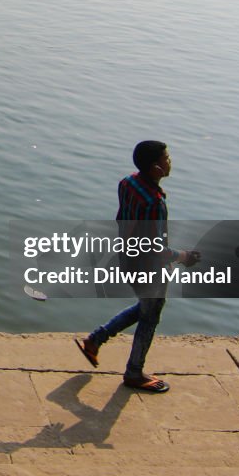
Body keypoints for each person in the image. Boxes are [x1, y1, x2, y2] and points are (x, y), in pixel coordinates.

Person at [79, 141, 200, 393]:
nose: (170, 161)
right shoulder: (154, 203)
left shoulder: (128, 183)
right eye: (166, 158)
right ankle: (134, 372)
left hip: (127, 257)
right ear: (156, 167)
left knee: (146, 306)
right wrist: (183, 256)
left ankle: (96, 339)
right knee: (150, 316)